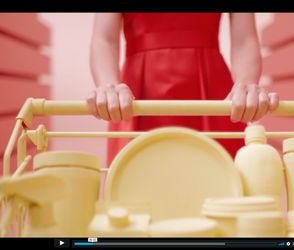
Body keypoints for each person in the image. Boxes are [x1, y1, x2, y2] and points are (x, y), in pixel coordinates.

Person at [86, 13, 279, 165]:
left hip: (213, 92)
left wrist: (245, 84)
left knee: (221, 191)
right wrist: (107, 86)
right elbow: (104, 39)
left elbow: (244, 39)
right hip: (136, 94)